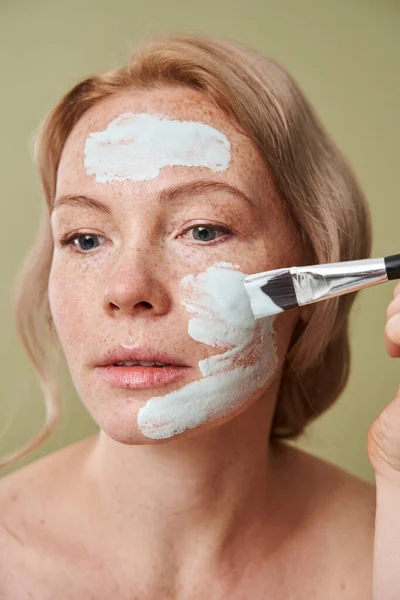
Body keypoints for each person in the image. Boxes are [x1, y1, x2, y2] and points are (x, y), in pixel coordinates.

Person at [0, 31, 398, 599]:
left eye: (204, 230)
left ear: (316, 267)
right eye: (86, 238)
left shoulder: (384, 548)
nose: (126, 289)